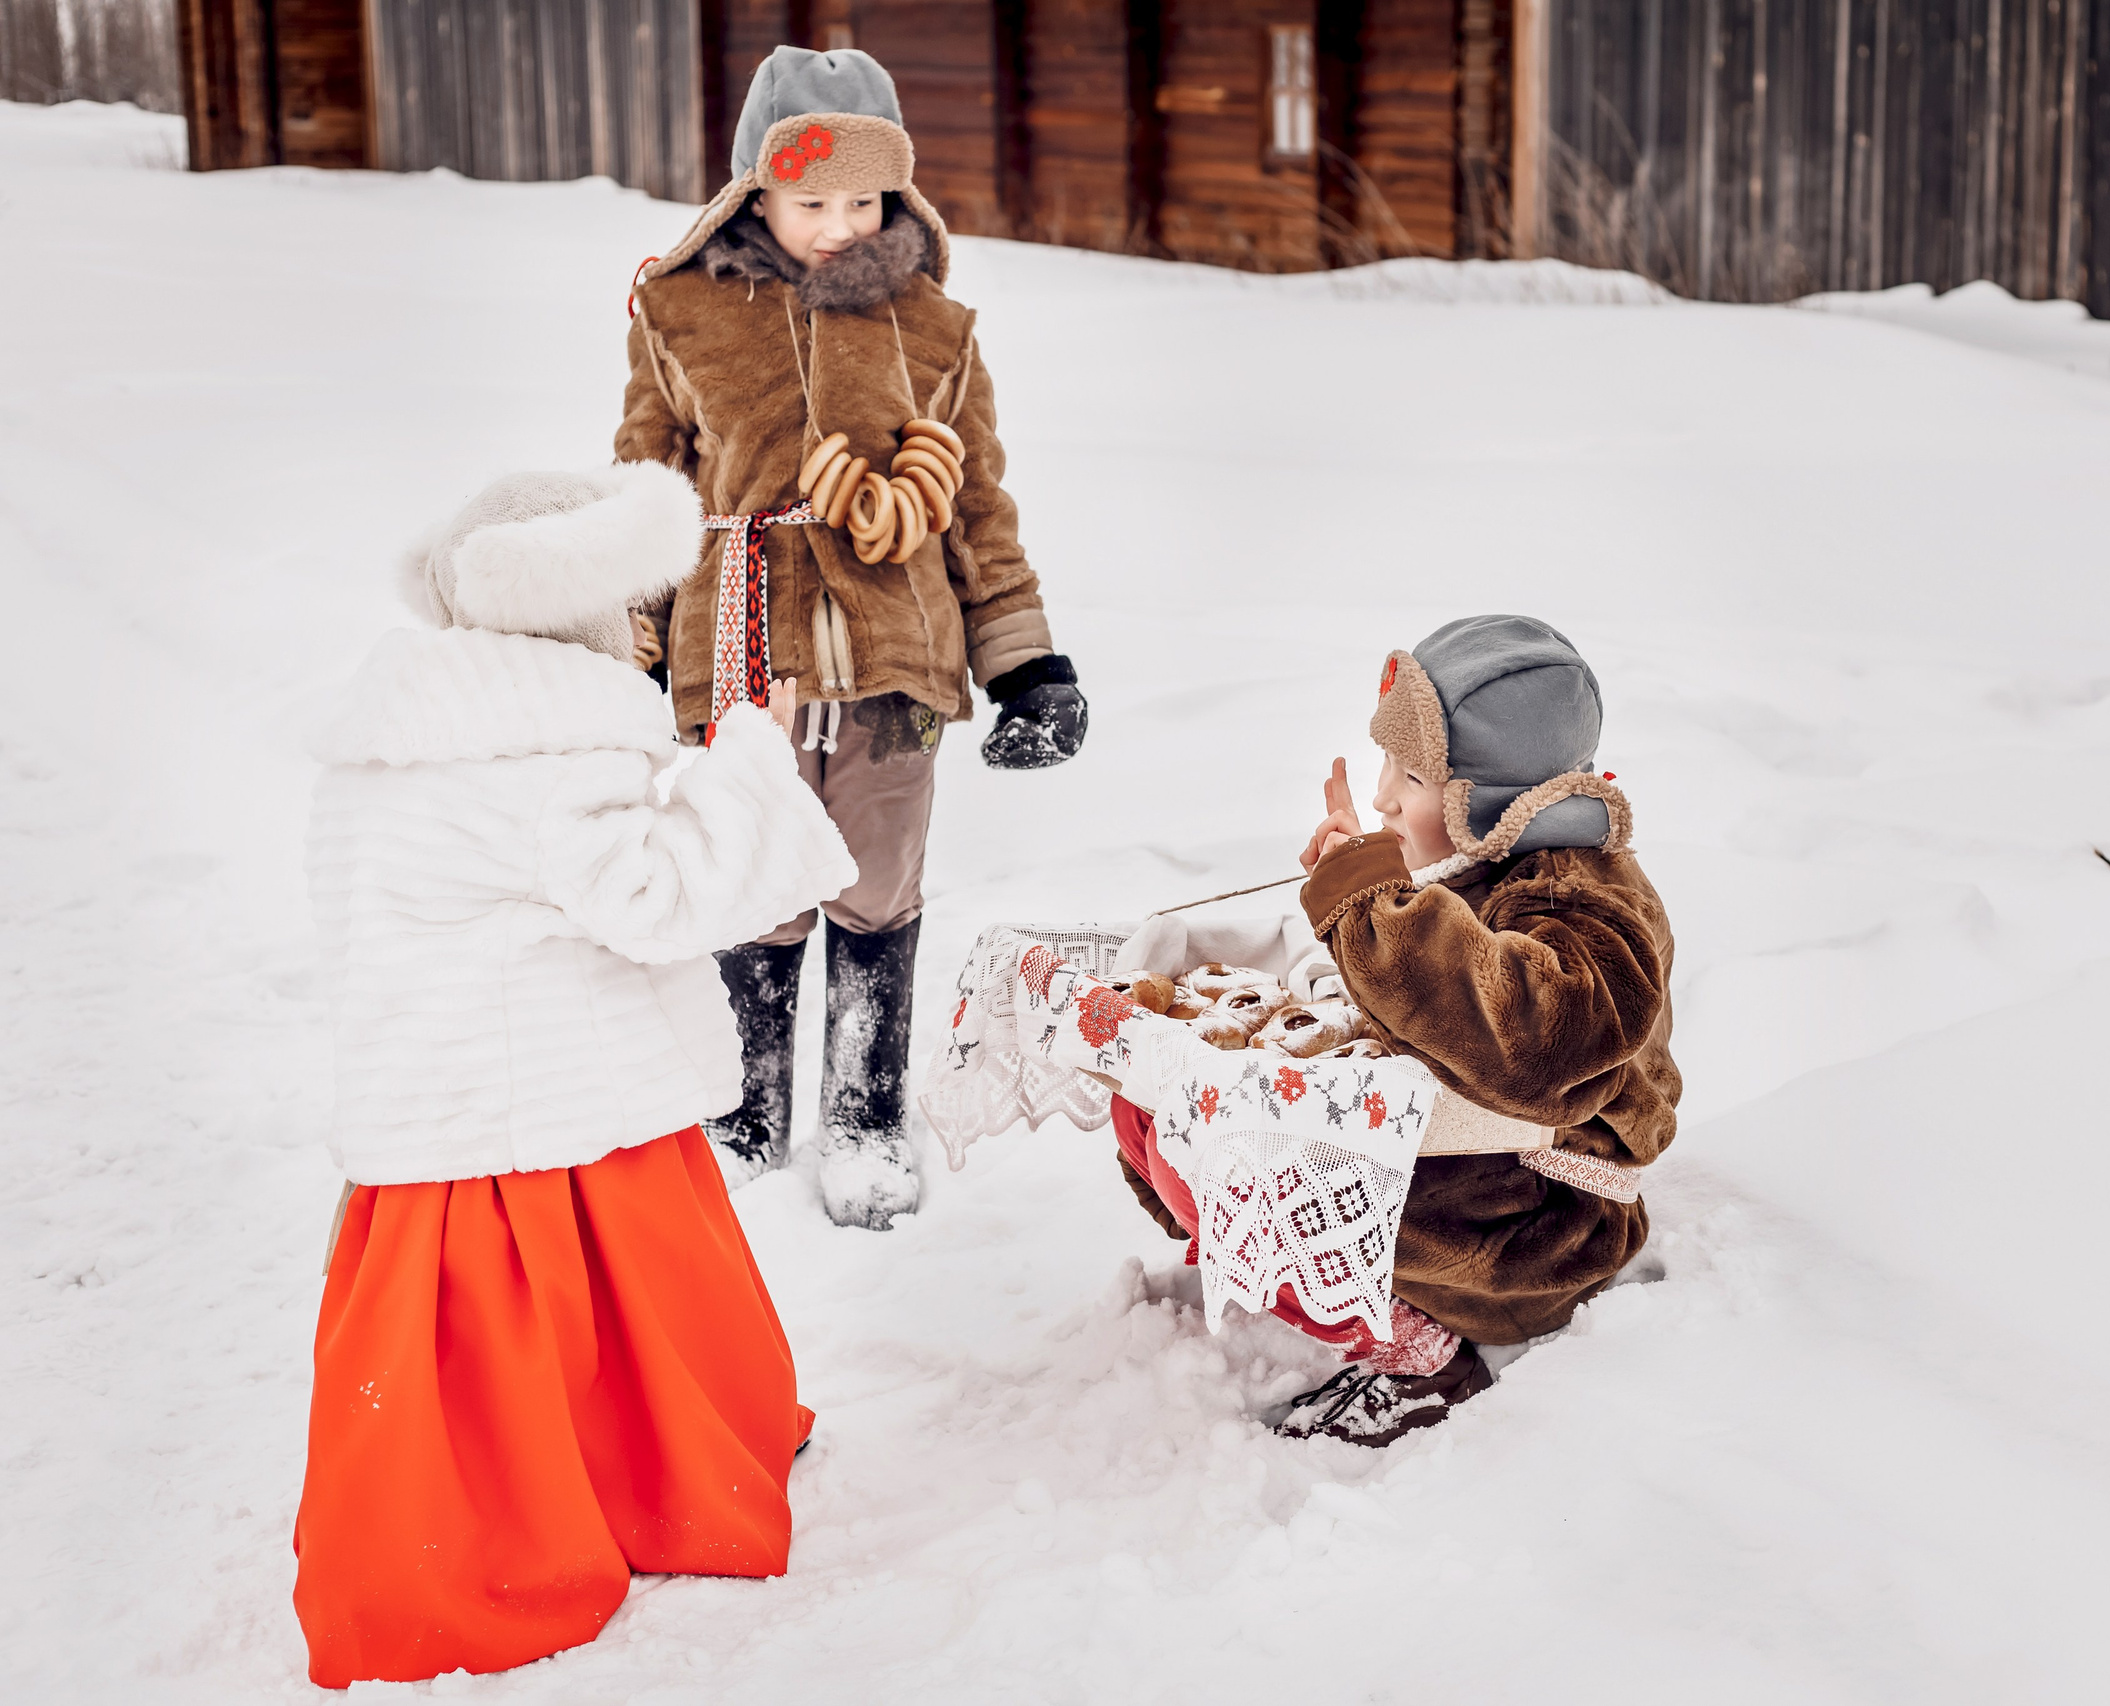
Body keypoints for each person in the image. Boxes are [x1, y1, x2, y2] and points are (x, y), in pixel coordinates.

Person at [293, 465, 858, 1687]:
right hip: (560, 1117)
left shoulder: (389, 744)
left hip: (427, 1118)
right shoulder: (548, 759)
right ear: (575, 620)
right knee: (629, 1313)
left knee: (483, 1370)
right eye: (624, 609)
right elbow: (659, 898)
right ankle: (628, 1495)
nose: (639, 635)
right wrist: (750, 768)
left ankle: (507, 1509)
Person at [618, 46, 1086, 1228]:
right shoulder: (677, 314)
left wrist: (1026, 662)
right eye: (811, 200)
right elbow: (643, 492)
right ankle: (745, 1107)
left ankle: (867, 1115)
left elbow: (976, 505)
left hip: (894, 664)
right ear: (754, 192)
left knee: (876, 885)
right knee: (753, 882)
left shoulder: (932, 326)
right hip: (742, 659)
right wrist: (623, 641)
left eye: (866, 201)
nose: (840, 227)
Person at [1114, 615, 1680, 1445]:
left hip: (1540, 1225)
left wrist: (1372, 910)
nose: (1382, 797)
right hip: (1471, 1166)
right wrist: (1364, 909)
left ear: (1487, 801)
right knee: (1161, 1113)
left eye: (1411, 776)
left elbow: (1535, 1048)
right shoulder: (1481, 860)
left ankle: (1426, 1360)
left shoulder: (1583, 903)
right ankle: (1270, 1260)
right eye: (1387, 764)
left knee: (1251, 1177)